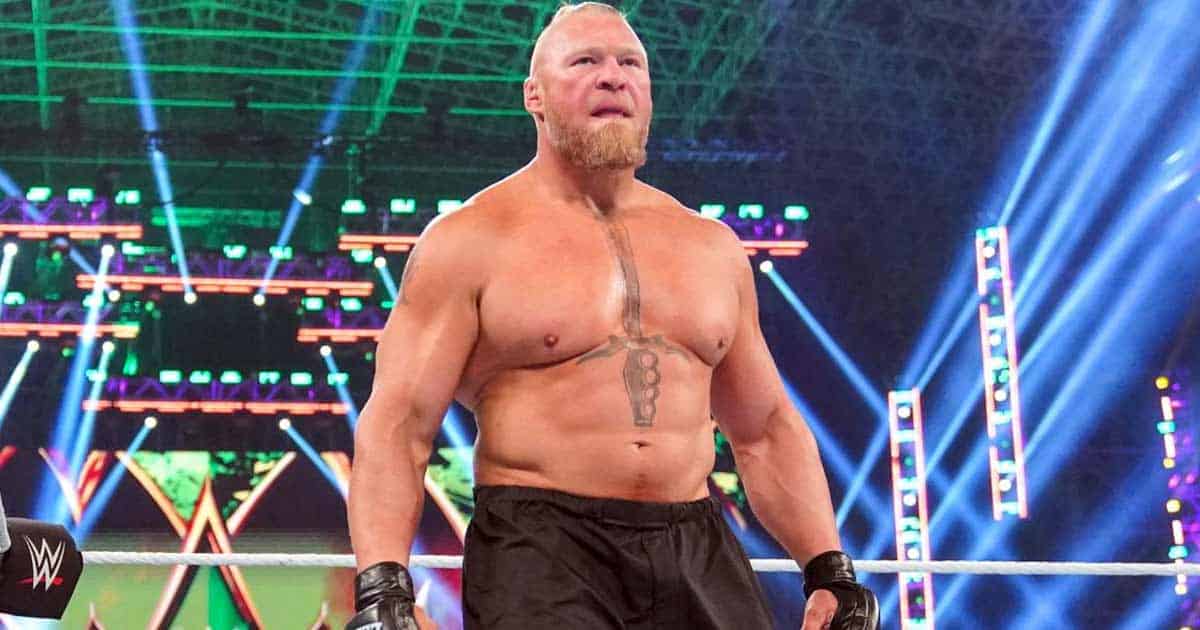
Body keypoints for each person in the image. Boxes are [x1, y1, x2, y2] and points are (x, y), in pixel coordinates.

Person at [346, 3, 877, 629]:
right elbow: (399, 424)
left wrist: (829, 571)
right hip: (542, 546)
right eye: (584, 61)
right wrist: (383, 588)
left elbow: (763, 429)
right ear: (534, 96)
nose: (612, 76)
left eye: (631, 63)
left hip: (694, 540)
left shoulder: (711, 248)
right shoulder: (469, 241)